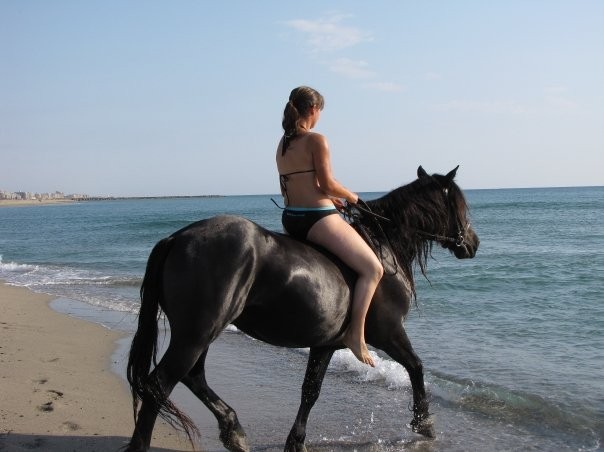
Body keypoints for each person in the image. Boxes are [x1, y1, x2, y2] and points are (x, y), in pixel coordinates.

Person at [276, 86, 384, 367]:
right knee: (374, 269)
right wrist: (350, 196)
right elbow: (326, 183)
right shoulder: (316, 140)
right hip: (316, 219)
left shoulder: (283, 143)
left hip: (291, 218)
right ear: (313, 110)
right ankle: (355, 334)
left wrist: (330, 199)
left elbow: (297, 186)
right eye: (321, 111)